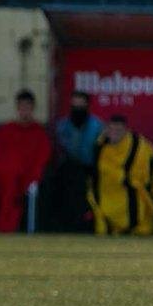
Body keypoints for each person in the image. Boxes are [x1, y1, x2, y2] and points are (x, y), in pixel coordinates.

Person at [0, 89, 51, 233]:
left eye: (27, 107)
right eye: (22, 106)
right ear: (17, 107)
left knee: (11, 185)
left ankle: (4, 227)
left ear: (33, 108)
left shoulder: (39, 134)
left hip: (19, 179)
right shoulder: (5, 131)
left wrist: (30, 177)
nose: (24, 111)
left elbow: (41, 162)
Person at [87, 115, 153, 235]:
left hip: (133, 189)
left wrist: (122, 177)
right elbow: (97, 171)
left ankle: (132, 225)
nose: (115, 134)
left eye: (119, 130)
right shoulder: (100, 145)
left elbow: (148, 171)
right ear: (107, 129)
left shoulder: (138, 145)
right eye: (112, 130)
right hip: (108, 190)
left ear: (126, 130)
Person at [49, 91, 104, 232]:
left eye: (81, 104)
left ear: (87, 105)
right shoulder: (62, 126)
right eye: (75, 104)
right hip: (68, 171)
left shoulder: (97, 126)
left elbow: (101, 152)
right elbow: (58, 151)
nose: (77, 108)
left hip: (91, 170)